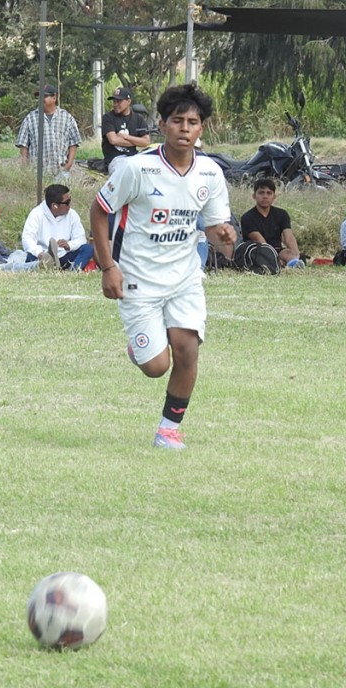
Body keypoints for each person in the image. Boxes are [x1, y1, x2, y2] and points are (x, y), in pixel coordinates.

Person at [89, 82, 236, 451]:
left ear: (201, 128)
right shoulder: (137, 168)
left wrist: (222, 234)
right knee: (157, 366)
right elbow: (99, 211)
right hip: (138, 280)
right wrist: (107, 267)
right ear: (162, 124)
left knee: (187, 350)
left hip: (184, 278)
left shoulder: (210, 173)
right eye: (177, 121)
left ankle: (169, 430)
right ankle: (141, 349)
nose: (184, 129)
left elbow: (214, 229)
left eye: (192, 122)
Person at [21, 184, 95, 270]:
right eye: (67, 202)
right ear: (54, 206)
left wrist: (69, 245)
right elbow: (27, 238)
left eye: (70, 200)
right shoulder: (36, 214)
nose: (69, 205)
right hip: (43, 256)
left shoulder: (72, 214)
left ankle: (72, 272)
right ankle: (47, 265)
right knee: (31, 257)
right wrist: (39, 253)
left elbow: (81, 238)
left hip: (64, 255)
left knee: (88, 249)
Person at [15, 84, 81, 179]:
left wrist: (69, 164)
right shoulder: (30, 118)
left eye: (44, 96)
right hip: (36, 173)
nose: (41, 99)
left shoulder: (67, 117)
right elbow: (23, 145)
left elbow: (74, 142)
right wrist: (25, 167)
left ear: (54, 98)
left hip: (61, 171)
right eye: (39, 97)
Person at [240, 178, 305, 268]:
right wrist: (274, 259)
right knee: (263, 258)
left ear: (274, 197)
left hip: (277, 250)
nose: (265, 196)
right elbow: (260, 241)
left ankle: (293, 263)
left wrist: (295, 253)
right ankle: (282, 263)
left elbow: (289, 237)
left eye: (269, 193)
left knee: (292, 254)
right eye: (261, 193)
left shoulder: (282, 214)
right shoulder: (247, 217)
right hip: (258, 251)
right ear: (254, 196)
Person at [101, 86, 154, 173]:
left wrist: (126, 137)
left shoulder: (138, 118)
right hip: (115, 159)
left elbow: (146, 142)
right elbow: (113, 140)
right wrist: (137, 141)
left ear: (129, 101)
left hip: (134, 157)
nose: (115, 104)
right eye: (114, 101)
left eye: (119, 101)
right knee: (129, 169)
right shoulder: (108, 117)